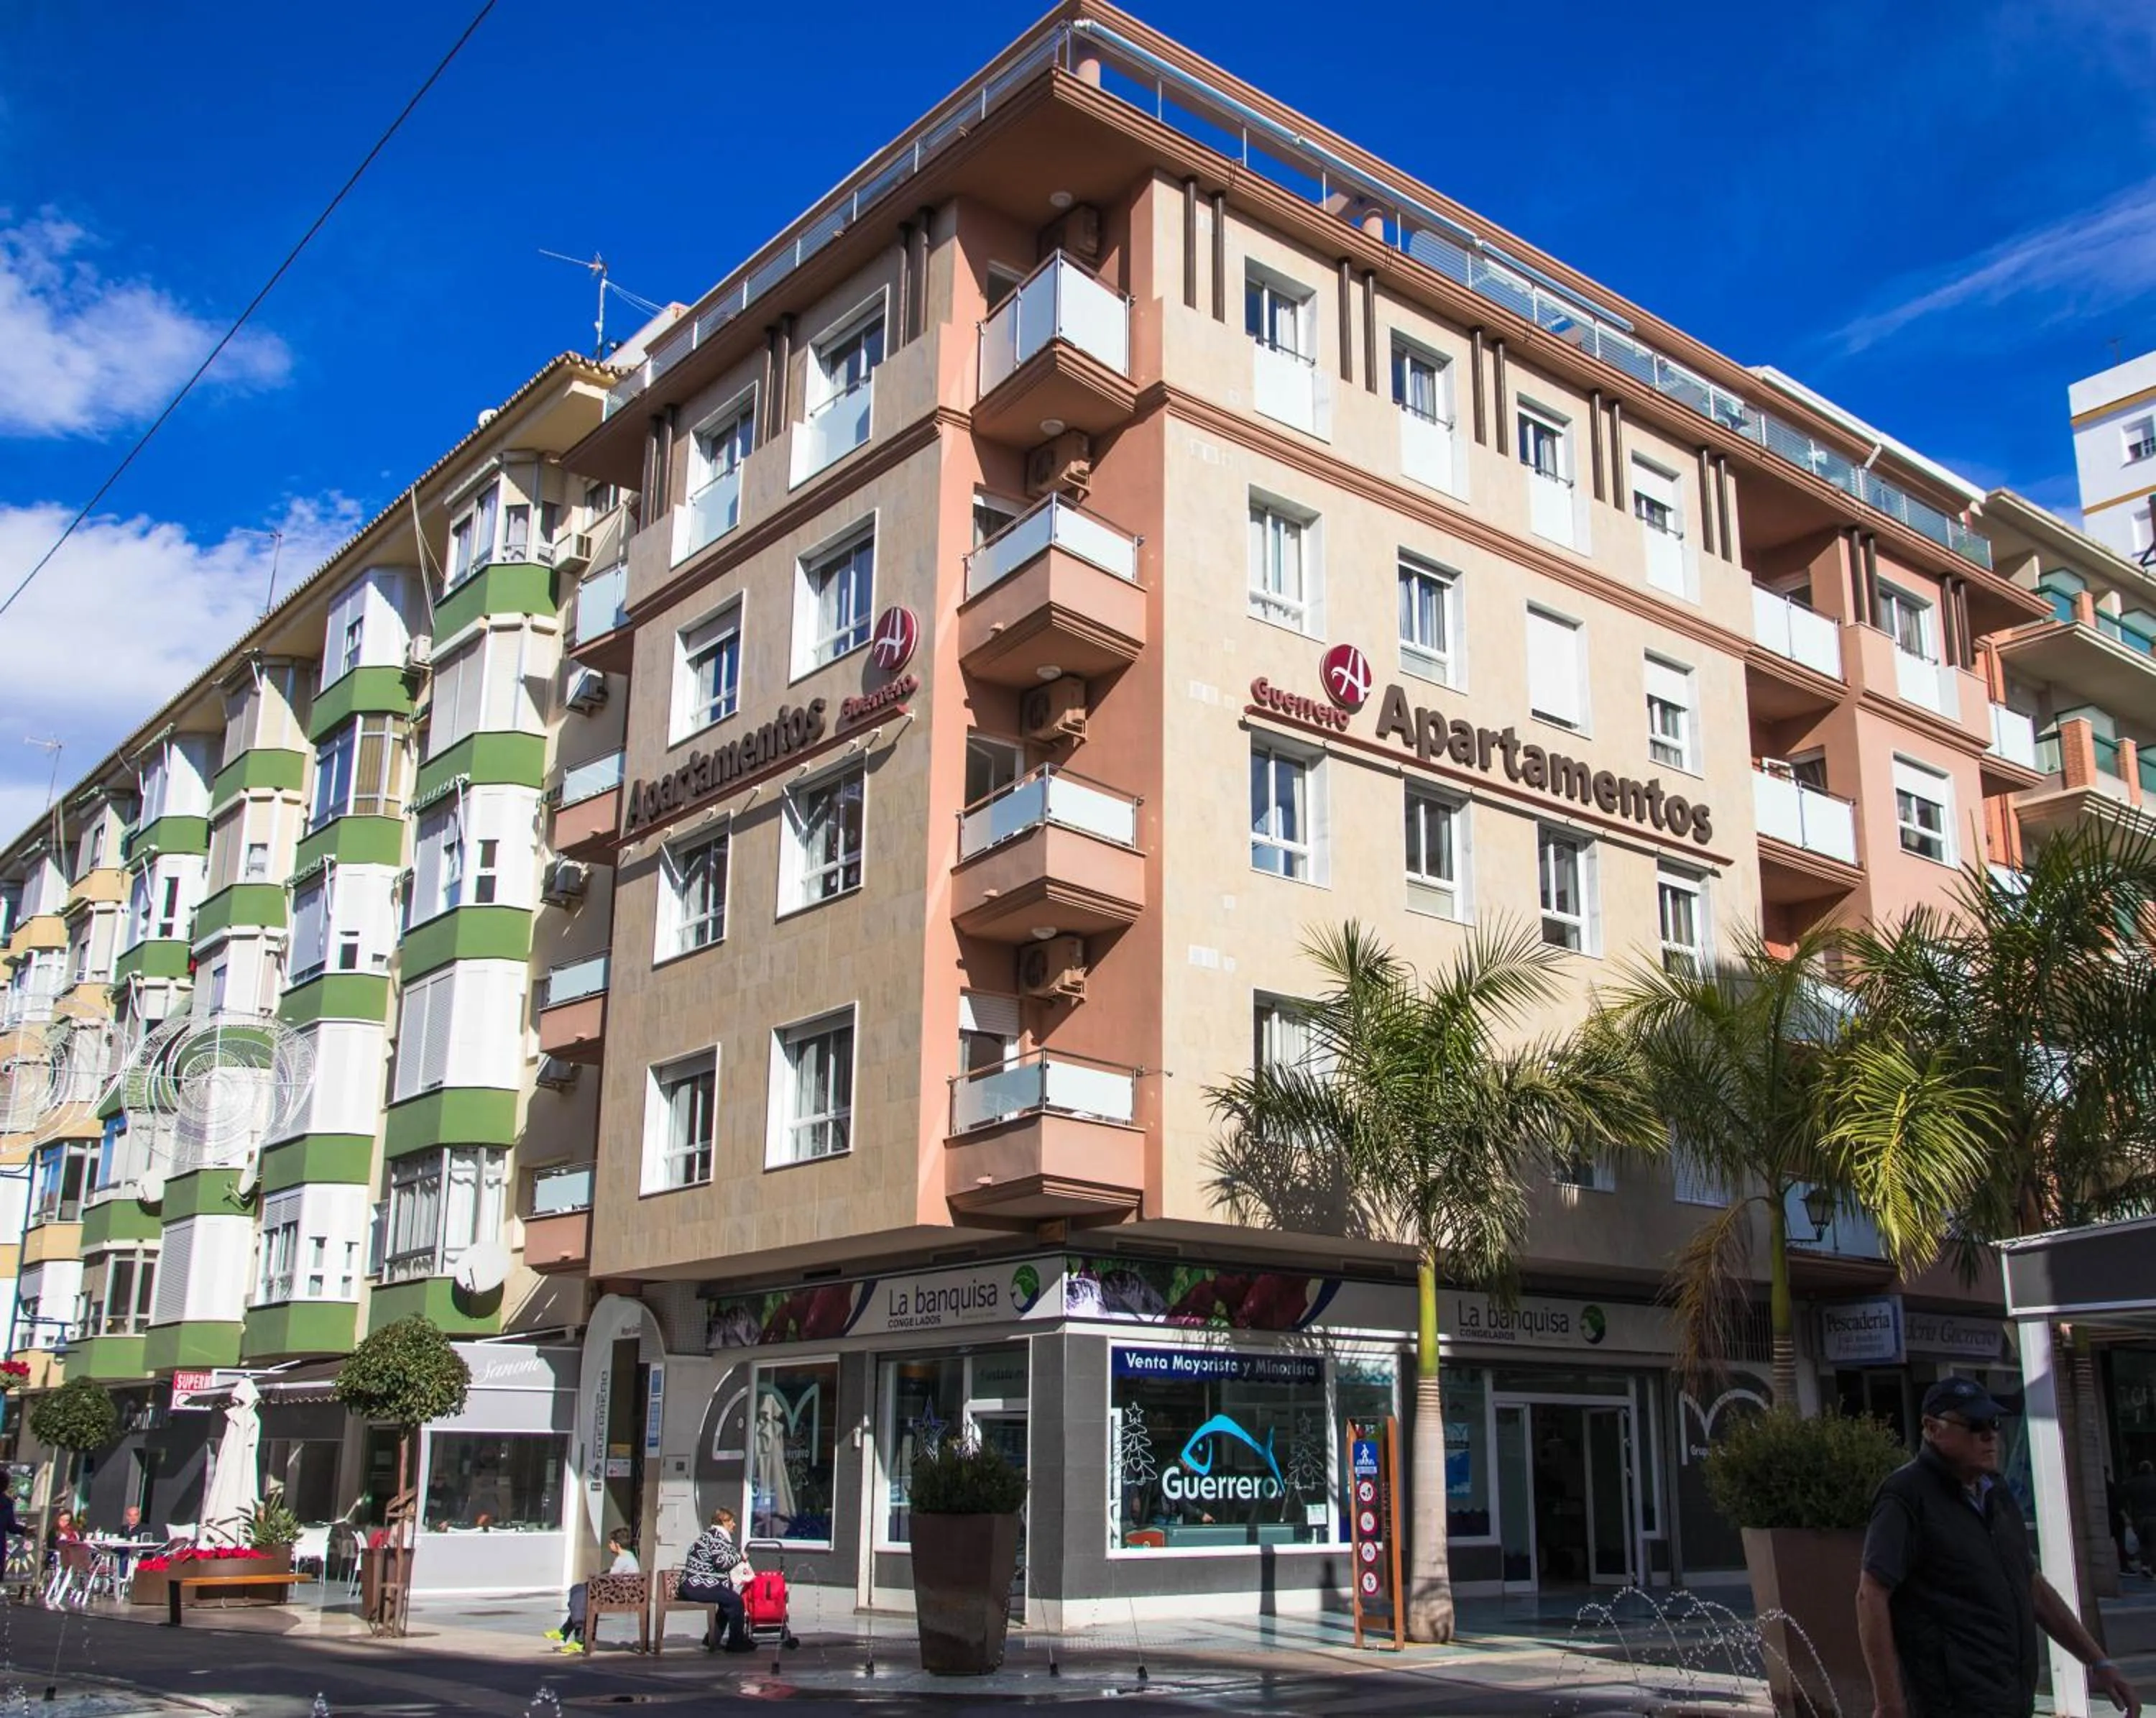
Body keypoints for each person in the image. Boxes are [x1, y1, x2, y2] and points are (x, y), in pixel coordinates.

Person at [1857, 1377, 2141, 1718]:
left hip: (2010, 1698)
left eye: (1993, 1423)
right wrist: (1889, 1703)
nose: (1990, 1435)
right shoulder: (1905, 1495)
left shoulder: (1996, 1491)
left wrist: (2098, 1661)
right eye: (1975, 1426)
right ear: (1932, 1428)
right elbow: (1871, 1595)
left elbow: (2031, 1584)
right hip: (1948, 1703)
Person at [547, 1528, 637, 1655]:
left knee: (582, 1597)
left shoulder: (622, 1560)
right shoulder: (629, 1557)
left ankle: (575, 1639)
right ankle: (565, 1633)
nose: (609, 1545)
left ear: (617, 1545)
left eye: (611, 1542)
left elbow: (610, 1578)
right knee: (580, 1592)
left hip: (619, 1597)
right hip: (622, 1594)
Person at [679, 1507, 752, 1653]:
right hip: (698, 1586)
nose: (734, 1524)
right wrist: (740, 1557)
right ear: (723, 1522)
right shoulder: (716, 1537)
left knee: (728, 1601)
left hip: (695, 1584)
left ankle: (712, 1640)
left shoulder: (711, 1535)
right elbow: (721, 1562)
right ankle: (736, 1643)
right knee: (735, 1601)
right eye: (732, 1521)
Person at [2124, 1460, 2156, 1580]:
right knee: (2154, 1544)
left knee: (2144, 1543)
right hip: (2154, 1516)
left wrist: (2126, 1516)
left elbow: (2122, 1499)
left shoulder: (2132, 1483)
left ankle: (2145, 1566)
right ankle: (2154, 1569)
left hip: (2139, 1516)